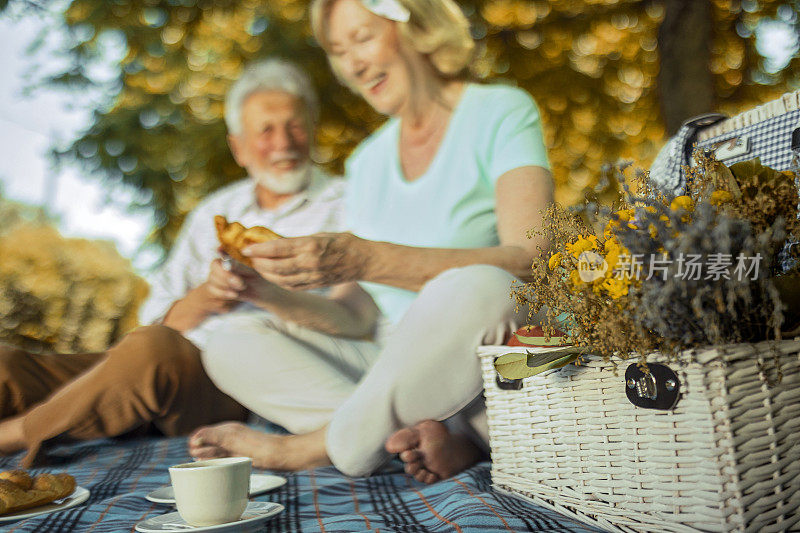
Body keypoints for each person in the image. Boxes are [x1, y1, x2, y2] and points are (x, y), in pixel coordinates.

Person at [187, 0, 553, 484]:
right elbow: (357, 316)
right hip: (389, 365)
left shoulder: (500, 110)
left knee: (481, 286)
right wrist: (263, 292)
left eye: (362, 38)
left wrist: (366, 257)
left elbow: (534, 262)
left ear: (417, 25)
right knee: (231, 341)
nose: (352, 64)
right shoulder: (366, 161)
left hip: (480, 363)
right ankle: (429, 435)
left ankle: (311, 447)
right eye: (338, 50)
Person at [0, 58, 347, 467]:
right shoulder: (215, 211)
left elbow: (355, 320)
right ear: (238, 147)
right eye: (265, 130)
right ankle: (109, 404)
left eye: (294, 125)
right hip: (156, 364)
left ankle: (16, 434)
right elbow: (155, 316)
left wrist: (269, 293)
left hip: (237, 386)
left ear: (311, 128)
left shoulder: (346, 204)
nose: (283, 142)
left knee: (153, 351)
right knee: (8, 365)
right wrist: (207, 298)